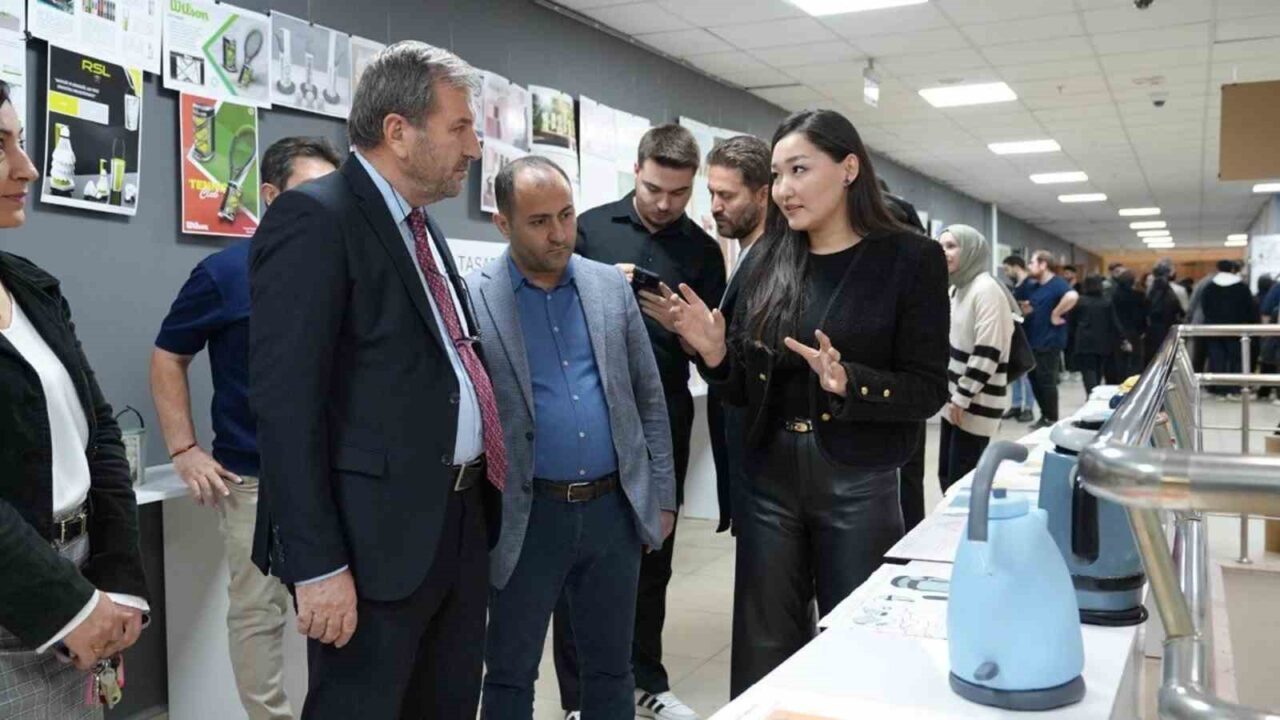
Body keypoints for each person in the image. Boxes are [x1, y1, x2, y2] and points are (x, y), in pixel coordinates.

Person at [248, 42, 502, 719]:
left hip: (454, 522)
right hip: (369, 549)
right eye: (460, 127)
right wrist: (318, 565)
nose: (474, 147)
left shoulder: (423, 228)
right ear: (398, 130)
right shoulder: (317, 219)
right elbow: (284, 405)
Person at [664, 109, 949, 697]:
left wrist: (853, 382)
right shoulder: (768, 257)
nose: (785, 189)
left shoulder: (908, 259)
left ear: (849, 168)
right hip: (768, 475)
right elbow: (741, 385)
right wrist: (715, 354)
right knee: (764, 643)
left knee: (855, 637)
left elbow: (928, 389)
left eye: (800, 169)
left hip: (858, 480)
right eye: (778, 174)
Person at [472, 157, 676, 720]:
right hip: (527, 514)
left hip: (612, 511)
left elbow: (647, 397)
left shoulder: (608, 284)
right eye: (539, 221)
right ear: (503, 223)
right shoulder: (474, 297)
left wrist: (661, 496)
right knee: (511, 672)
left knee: (611, 668)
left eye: (566, 215)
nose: (559, 233)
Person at [150, 136, 340, 720]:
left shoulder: (350, 271)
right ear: (269, 196)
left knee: (335, 610)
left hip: (336, 475)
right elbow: (168, 356)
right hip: (254, 480)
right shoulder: (224, 274)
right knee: (259, 616)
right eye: (309, 193)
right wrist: (183, 449)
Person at [554, 124, 726, 720]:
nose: (663, 202)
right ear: (636, 170)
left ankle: (645, 678)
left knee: (655, 549)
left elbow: (712, 349)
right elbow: (549, 307)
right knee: (581, 554)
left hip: (664, 415)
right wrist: (601, 286)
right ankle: (579, 698)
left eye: (678, 193)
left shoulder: (704, 253)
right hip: (588, 411)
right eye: (654, 187)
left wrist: (686, 326)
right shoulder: (587, 230)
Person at [0, 79, 150, 716]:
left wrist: (117, 579)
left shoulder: (32, 291)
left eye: (23, 142)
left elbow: (102, 435)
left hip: (84, 580)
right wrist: (68, 606)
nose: (26, 167)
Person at [703, 135, 770, 535]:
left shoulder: (768, 262)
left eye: (727, 195)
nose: (714, 207)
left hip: (761, 464)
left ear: (763, 195)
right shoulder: (747, 254)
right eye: (712, 192)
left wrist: (710, 347)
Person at [937, 225, 1015, 491]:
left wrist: (962, 396)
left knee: (962, 486)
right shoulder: (957, 288)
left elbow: (987, 351)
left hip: (975, 402)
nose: (944, 252)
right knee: (947, 478)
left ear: (971, 250)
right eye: (942, 245)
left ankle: (965, 533)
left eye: (951, 246)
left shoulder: (986, 290)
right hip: (956, 401)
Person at [877, 178, 929, 532]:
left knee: (896, 474)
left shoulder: (886, 227)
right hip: (901, 384)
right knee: (906, 474)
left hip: (890, 383)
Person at [1022, 250, 1078, 428]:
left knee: (1046, 381)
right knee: (1034, 379)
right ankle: (1044, 415)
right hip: (1033, 340)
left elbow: (1072, 296)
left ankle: (1051, 418)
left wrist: (1056, 313)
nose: (1029, 266)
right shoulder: (1034, 285)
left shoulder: (1057, 284)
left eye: (1032, 262)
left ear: (1043, 264)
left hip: (1049, 341)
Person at [1201, 259, 1258, 399]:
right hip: (1236, 329)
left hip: (1214, 329)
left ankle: (1217, 387)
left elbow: (1205, 308)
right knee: (1236, 359)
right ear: (1233, 269)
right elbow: (1250, 309)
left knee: (1216, 358)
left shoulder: (1209, 287)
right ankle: (1235, 387)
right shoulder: (1242, 287)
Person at [1070, 275, 1127, 398]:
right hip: (1103, 341)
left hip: (1084, 340)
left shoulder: (1080, 301)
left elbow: (1072, 321)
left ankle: (1091, 394)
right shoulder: (1106, 301)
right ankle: (1096, 392)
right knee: (1098, 370)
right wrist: (1123, 338)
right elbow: (1114, 322)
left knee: (1087, 370)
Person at [1001, 255, 1037, 423]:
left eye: (1007, 269)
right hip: (1016, 332)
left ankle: (1028, 408)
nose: (1007, 273)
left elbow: (1032, 309)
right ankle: (1016, 405)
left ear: (1016, 266)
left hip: (1029, 333)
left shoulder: (1030, 285)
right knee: (1015, 369)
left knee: (1026, 373)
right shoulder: (1018, 285)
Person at [1109, 269, 1148, 380]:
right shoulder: (1139, 296)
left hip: (1118, 332)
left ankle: (1121, 384)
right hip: (1135, 332)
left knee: (1120, 362)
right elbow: (1142, 316)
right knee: (1135, 361)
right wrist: (1143, 330)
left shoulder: (1114, 296)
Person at [1144, 272, 1185, 367]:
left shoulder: (1150, 296)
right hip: (1168, 329)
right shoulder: (1171, 297)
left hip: (1152, 330)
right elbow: (1180, 311)